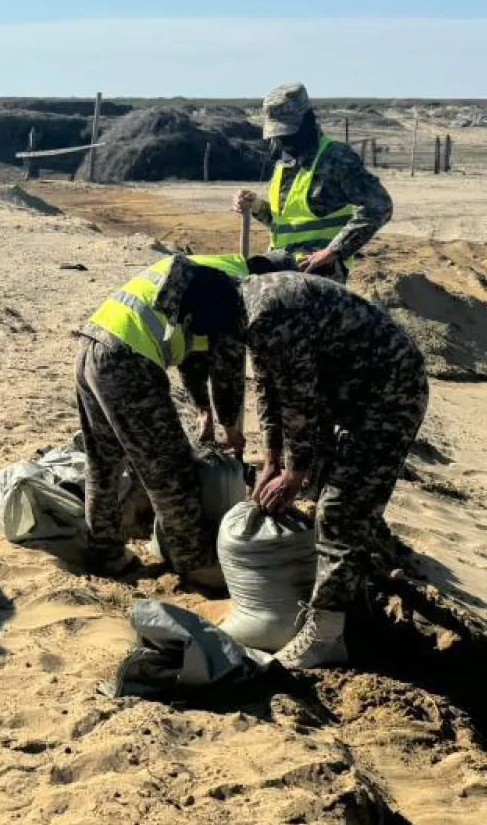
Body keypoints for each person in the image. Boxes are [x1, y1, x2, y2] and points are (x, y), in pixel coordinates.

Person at [180, 267, 429, 669]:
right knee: (326, 495)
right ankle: (361, 583)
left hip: (389, 395)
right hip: (348, 394)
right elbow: (266, 385)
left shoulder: (269, 313)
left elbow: (298, 400)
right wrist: (271, 459)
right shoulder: (250, 306)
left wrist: (293, 473)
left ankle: (327, 634)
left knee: (339, 511)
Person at [76, 253, 277, 586]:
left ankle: (105, 551)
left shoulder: (209, 268)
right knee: (171, 471)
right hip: (128, 359)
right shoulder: (235, 292)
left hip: (92, 342)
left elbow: (190, 354)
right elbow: (227, 370)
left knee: (103, 460)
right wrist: (231, 428)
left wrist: (203, 413)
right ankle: (195, 562)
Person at [231, 83, 392, 283]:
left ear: (307, 121)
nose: (283, 139)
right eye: (279, 134)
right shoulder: (285, 162)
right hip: (282, 268)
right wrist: (254, 206)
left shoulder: (336, 158)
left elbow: (379, 206)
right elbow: (284, 224)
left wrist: (333, 251)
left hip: (319, 276)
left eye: (289, 132)